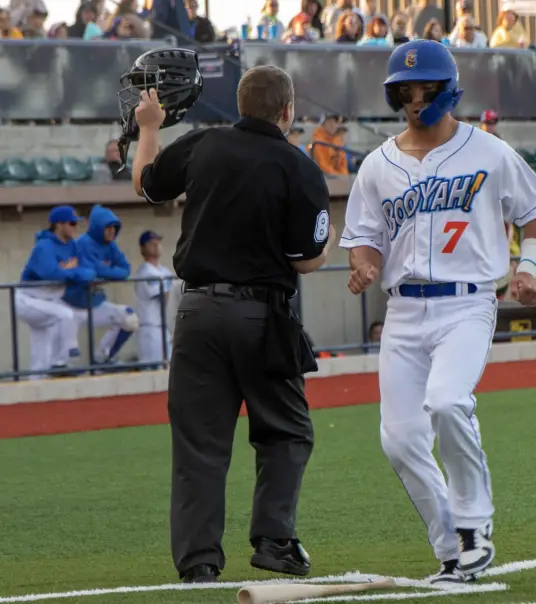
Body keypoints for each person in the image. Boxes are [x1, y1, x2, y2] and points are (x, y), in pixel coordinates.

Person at [339, 40, 536, 585]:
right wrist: (364, 266)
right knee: (400, 438)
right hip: (404, 312)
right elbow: (363, 239)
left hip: (467, 302)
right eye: (406, 90)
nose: (415, 98)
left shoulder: (488, 151)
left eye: (426, 88)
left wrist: (526, 270)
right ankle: (451, 547)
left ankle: (474, 532)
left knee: (449, 401)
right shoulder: (377, 166)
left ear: (447, 89)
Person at [130, 56, 335, 584]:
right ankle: (274, 540)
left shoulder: (203, 144)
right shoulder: (300, 167)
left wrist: (149, 128)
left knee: (200, 441)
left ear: (241, 104)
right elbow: (305, 258)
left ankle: (198, 562)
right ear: (287, 111)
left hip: (197, 311)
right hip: (262, 316)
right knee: (286, 430)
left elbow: (148, 184)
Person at [16, 206, 95, 378]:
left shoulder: (72, 245)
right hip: (29, 300)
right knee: (65, 314)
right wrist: (74, 273)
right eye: (72, 223)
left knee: (41, 352)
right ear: (59, 225)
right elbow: (50, 273)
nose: (76, 227)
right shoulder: (44, 246)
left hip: (49, 300)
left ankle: (36, 383)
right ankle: (61, 362)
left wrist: (72, 272)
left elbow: (88, 270)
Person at [62, 205, 139, 365]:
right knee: (66, 358)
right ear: (98, 227)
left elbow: (125, 270)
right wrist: (106, 271)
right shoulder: (83, 243)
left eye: (114, 228)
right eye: (108, 227)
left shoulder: (111, 245)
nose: (112, 231)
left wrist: (101, 271)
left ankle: (102, 358)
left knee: (129, 318)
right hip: (71, 307)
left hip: (94, 303)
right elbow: (91, 271)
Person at [134, 230, 174, 367]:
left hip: (164, 328)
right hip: (150, 329)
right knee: (152, 371)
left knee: (170, 372)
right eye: (151, 243)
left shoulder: (165, 271)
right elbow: (166, 296)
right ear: (143, 248)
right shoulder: (145, 271)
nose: (156, 245)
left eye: (158, 242)